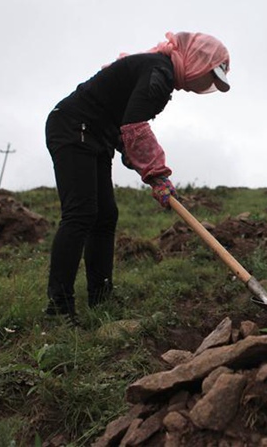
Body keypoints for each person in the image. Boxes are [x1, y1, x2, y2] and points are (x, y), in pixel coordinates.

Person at [44, 31, 231, 322]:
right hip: (74, 127)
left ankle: (101, 298)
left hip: (95, 134)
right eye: (210, 76)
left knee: (105, 216)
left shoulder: (159, 72)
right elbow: (135, 127)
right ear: (197, 61)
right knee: (81, 213)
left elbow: (124, 124)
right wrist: (157, 175)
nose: (207, 85)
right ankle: (58, 307)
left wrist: (136, 159)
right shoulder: (159, 72)